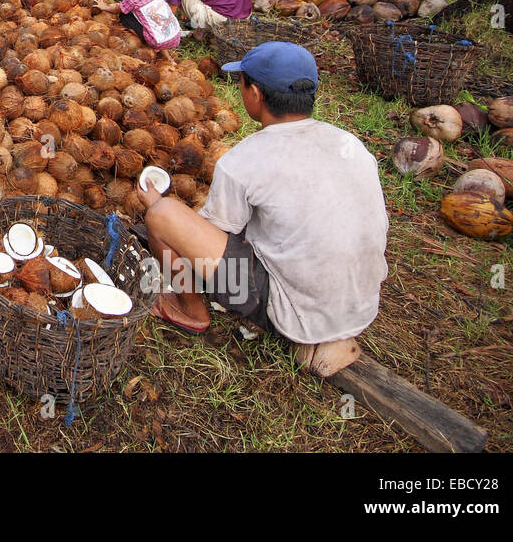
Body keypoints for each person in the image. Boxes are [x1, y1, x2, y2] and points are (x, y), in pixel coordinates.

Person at [136, 42, 387, 377]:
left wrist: (157, 205)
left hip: (287, 312)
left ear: (254, 93)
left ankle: (191, 312)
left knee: (163, 216)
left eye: (240, 83)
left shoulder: (243, 159)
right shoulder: (350, 144)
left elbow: (212, 241)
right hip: (359, 306)